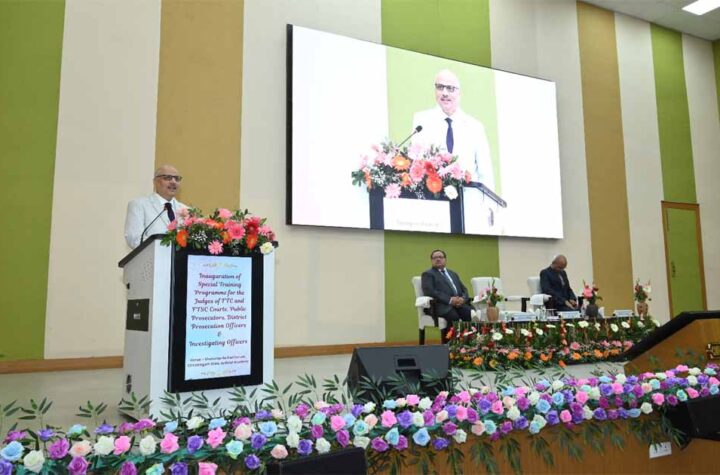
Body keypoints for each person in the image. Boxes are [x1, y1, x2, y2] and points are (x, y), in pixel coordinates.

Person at [412, 69, 495, 192]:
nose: (445, 93)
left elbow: (486, 175)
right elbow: (416, 165)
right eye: (440, 87)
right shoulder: (422, 121)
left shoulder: (475, 127)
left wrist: (487, 203)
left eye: (450, 88)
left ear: (459, 93)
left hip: (468, 199)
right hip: (433, 197)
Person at [124, 165, 188, 248]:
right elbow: (135, 238)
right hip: (151, 256)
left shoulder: (187, 210)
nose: (173, 182)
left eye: (177, 178)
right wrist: (166, 248)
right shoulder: (139, 205)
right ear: (155, 181)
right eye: (168, 178)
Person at [421, 249, 472, 342]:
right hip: (440, 306)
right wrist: (450, 300)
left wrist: (463, 299)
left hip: (458, 305)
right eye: (435, 258)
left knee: (470, 313)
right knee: (454, 317)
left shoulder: (453, 273)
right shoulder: (428, 274)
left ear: (445, 259)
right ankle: (450, 345)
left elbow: (464, 289)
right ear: (431, 260)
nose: (438, 259)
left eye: (440, 257)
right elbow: (430, 292)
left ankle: (469, 343)